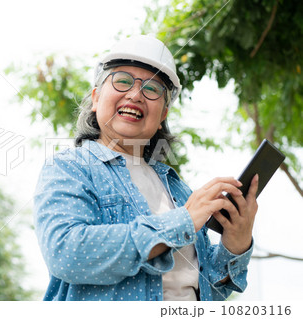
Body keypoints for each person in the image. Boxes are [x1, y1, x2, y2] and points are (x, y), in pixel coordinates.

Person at [33, 35, 258, 301]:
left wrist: (236, 244)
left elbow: (211, 292)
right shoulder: (70, 167)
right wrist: (182, 221)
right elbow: (66, 254)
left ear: (162, 115)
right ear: (96, 98)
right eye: (123, 81)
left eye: (152, 90)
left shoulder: (178, 190)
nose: (136, 95)